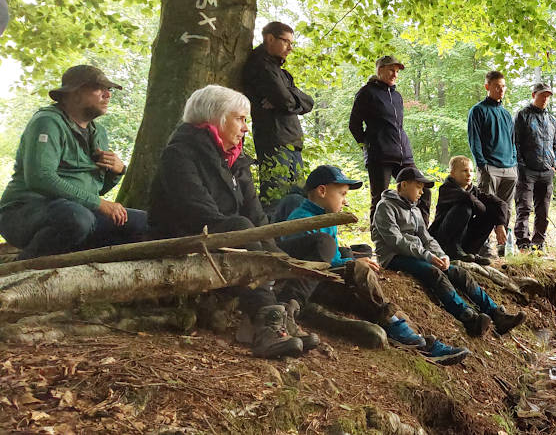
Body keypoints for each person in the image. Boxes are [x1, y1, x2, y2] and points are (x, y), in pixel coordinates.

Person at [148, 84, 321, 360]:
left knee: (272, 236)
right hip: (182, 236)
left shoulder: (235, 158)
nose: (245, 128)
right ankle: (264, 325)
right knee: (240, 226)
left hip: (226, 233)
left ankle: (278, 316)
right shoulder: (180, 153)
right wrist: (257, 247)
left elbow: (257, 216)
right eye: (240, 119)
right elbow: (197, 211)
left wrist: (275, 256)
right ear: (216, 117)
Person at [277, 165, 469, 365]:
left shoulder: (326, 218)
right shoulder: (302, 220)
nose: (345, 200)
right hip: (313, 286)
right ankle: (405, 333)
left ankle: (424, 342)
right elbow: (320, 260)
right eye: (342, 194)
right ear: (322, 191)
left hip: (326, 278)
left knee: (375, 292)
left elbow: (331, 257)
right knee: (360, 270)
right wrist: (352, 262)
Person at [0, 65, 147, 260]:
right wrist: (98, 203)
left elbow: (95, 189)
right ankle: (22, 269)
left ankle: (80, 268)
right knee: (77, 219)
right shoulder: (47, 123)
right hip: (25, 211)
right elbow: (40, 178)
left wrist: (117, 171)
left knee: (145, 224)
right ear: (74, 93)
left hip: (77, 211)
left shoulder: (98, 132)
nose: (107, 95)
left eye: (109, 90)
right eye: (99, 88)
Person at [372, 167, 526, 337]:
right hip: (393, 257)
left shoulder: (414, 209)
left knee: (459, 272)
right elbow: (396, 241)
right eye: (418, 186)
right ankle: (469, 318)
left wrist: (441, 254)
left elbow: (426, 238)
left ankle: (497, 314)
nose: (422, 192)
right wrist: (427, 256)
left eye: (423, 188)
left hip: (417, 254)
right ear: (402, 185)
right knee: (434, 272)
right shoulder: (385, 206)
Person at [349, 55, 431, 224]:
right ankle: (379, 241)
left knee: (424, 191)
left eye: (397, 71)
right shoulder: (366, 93)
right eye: (391, 70)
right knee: (380, 199)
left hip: (404, 154)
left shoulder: (397, 96)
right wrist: (367, 145)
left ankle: (421, 234)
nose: (395, 74)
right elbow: (354, 124)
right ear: (380, 70)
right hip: (380, 155)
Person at [242, 21, 314, 203]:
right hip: (274, 142)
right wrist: (288, 100)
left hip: (291, 141)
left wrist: (288, 99)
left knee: (296, 199)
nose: (290, 48)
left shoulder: (280, 71)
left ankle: (292, 233)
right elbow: (285, 99)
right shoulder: (260, 65)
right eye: (286, 42)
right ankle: (272, 233)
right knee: (275, 199)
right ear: (270, 38)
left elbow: (309, 102)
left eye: (292, 43)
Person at [467, 71, 516, 257]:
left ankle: (504, 246)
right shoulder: (478, 111)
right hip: (489, 167)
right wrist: (482, 164)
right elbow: (475, 140)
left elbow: (512, 141)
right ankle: (483, 246)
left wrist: (514, 162)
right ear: (487, 87)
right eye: (497, 86)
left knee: (506, 207)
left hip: (509, 168)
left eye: (503, 86)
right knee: (485, 207)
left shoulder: (506, 114)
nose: (501, 90)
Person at [429, 156, 508, 266]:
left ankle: (471, 252)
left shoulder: (473, 190)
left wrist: (500, 224)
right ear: (452, 173)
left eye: (471, 171)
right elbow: (468, 198)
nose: (469, 174)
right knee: (465, 208)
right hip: (443, 238)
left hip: (463, 239)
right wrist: (484, 209)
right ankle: (453, 251)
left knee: (491, 213)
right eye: (464, 171)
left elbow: (500, 203)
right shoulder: (447, 188)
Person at [514, 83, 556, 252]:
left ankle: (538, 243)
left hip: (547, 171)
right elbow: (515, 143)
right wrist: (521, 166)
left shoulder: (551, 119)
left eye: (548, 96)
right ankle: (523, 243)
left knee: (543, 211)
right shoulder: (522, 115)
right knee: (524, 208)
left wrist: (555, 164)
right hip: (527, 171)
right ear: (534, 95)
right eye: (542, 95)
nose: (545, 99)